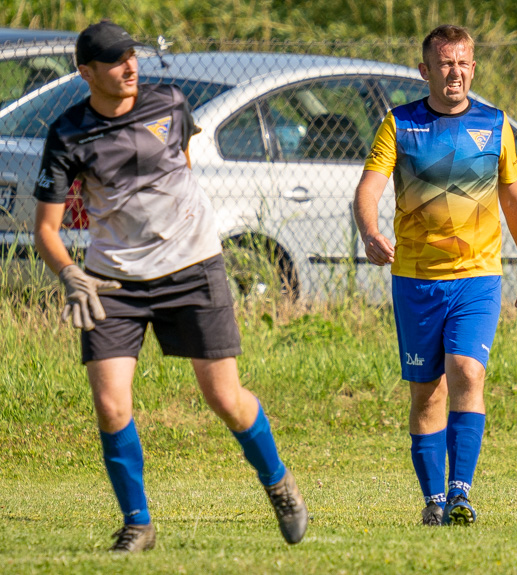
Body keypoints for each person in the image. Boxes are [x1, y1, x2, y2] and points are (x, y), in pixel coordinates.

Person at [33, 20, 307, 552]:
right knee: (111, 404)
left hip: (193, 266)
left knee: (223, 395)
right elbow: (45, 230)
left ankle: (279, 483)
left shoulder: (171, 103)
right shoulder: (67, 133)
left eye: (132, 55)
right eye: (114, 60)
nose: (129, 66)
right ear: (85, 72)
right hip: (114, 281)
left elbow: (180, 169)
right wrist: (70, 273)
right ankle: (138, 523)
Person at [353, 24, 517, 526]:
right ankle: (433, 500)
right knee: (426, 390)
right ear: (426, 71)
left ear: (473, 68)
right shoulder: (399, 124)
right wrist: (369, 232)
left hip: (478, 276)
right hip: (415, 280)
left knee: (467, 370)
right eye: (444, 63)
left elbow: (514, 199)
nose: (454, 72)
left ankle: (461, 492)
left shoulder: (494, 125)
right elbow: (368, 189)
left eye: (462, 63)